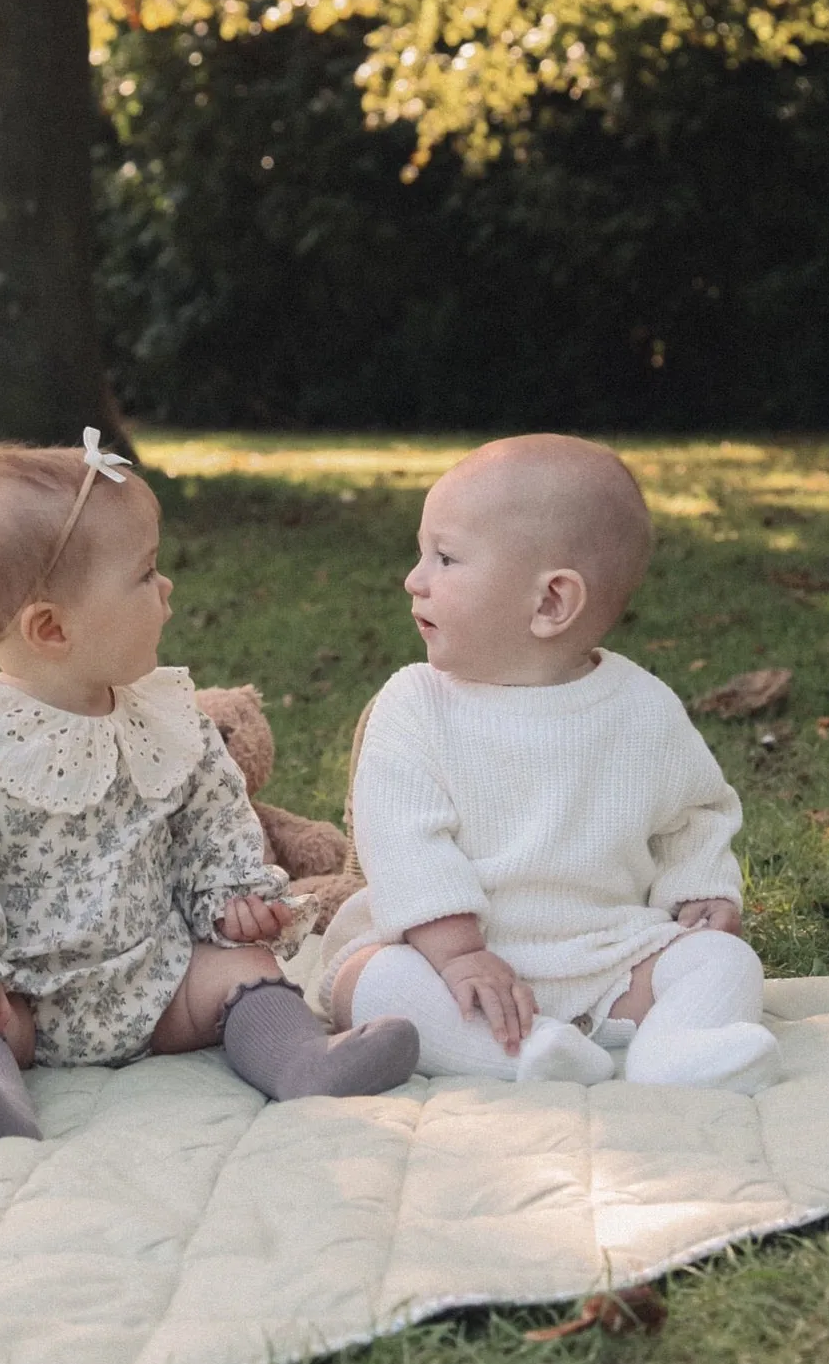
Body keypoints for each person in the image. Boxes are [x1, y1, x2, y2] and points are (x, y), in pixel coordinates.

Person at [0, 429, 418, 1145]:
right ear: (52, 627)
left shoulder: (165, 721)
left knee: (242, 967)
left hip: (153, 975)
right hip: (18, 982)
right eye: (145, 574)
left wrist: (233, 897)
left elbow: (214, 818)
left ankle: (302, 1059)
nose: (167, 586)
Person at [321, 433, 781, 1095]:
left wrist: (703, 886)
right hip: (448, 963)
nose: (413, 578)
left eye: (445, 558)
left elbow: (696, 811)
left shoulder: (641, 708)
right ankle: (528, 1051)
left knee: (721, 958)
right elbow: (401, 842)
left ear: (550, 603)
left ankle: (678, 1047)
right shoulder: (415, 704)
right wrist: (459, 954)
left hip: (611, 958)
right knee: (367, 981)